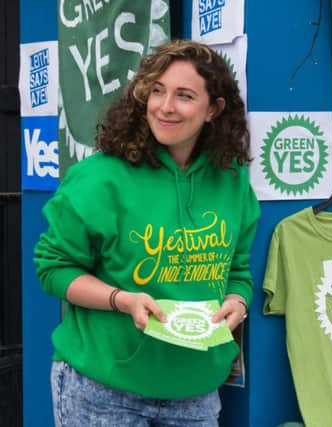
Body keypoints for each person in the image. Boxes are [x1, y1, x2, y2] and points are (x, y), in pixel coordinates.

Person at [34, 39, 260, 426]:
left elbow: (236, 270)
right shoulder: (99, 178)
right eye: (157, 91)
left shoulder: (232, 181)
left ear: (214, 109)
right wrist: (122, 299)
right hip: (103, 392)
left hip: (197, 393)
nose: (165, 106)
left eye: (184, 96)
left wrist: (237, 302)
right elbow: (54, 269)